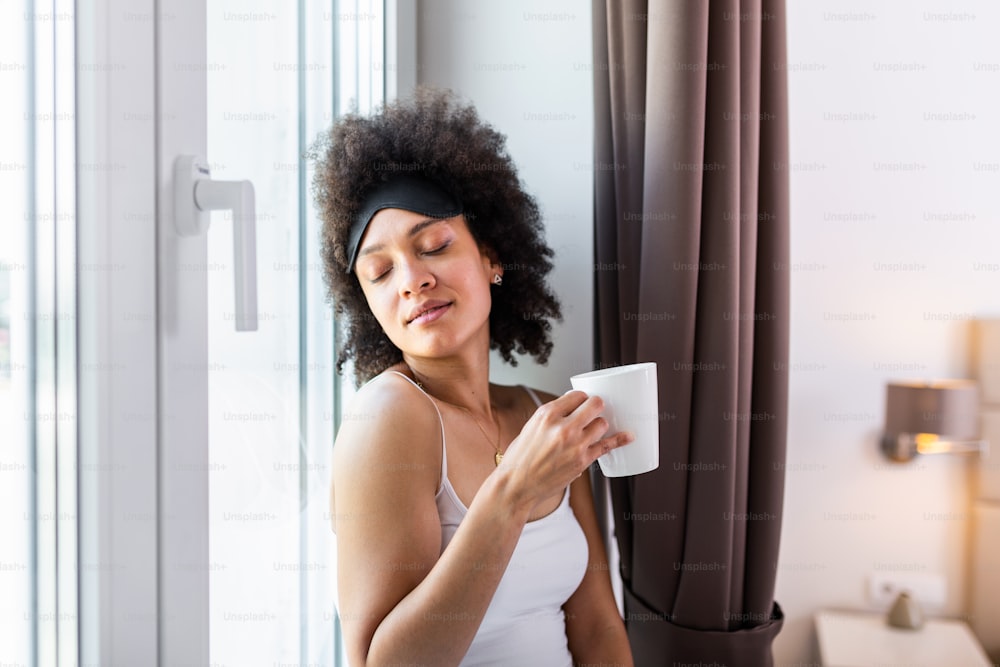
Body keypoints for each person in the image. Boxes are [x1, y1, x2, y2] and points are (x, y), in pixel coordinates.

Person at [314, 87, 635, 667]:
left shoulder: (544, 411)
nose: (411, 280)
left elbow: (597, 630)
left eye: (433, 245)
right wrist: (512, 492)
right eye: (381, 272)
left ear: (491, 258)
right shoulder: (389, 417)